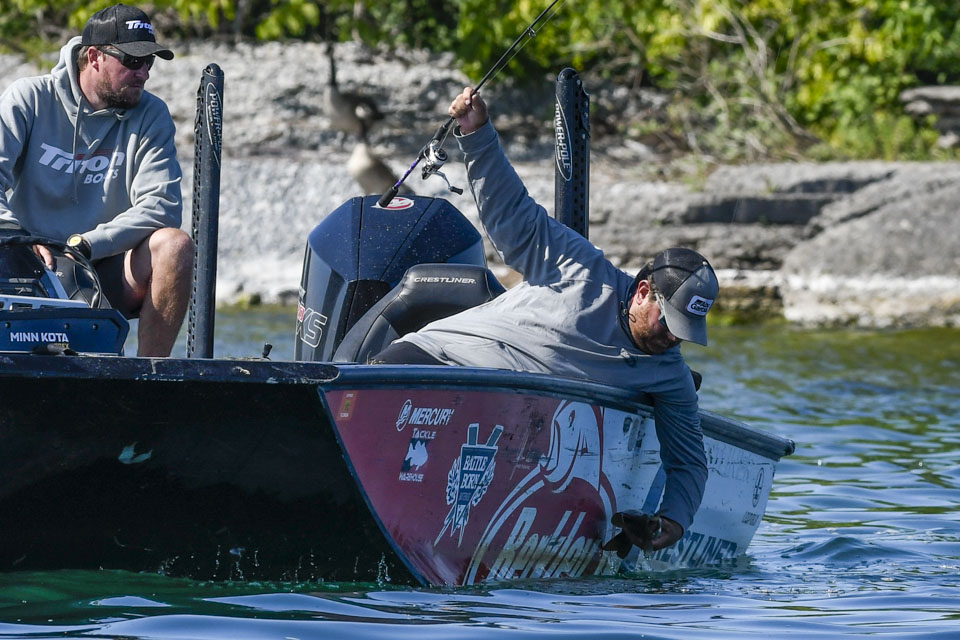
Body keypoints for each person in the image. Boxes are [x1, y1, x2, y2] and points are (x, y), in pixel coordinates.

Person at [373, 87, 720, 553]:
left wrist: (671, 523)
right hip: (435, 360)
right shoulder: (582, 268)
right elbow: (513, 215)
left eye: (684, 332)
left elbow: (689, 463)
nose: (673, 339)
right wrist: (477, 132)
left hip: (492, 410)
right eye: (669, 322)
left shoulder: (669, 375)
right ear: (643, 292)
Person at [0, 4, 193, 357]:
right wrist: (19, 241)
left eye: (149, 62)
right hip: (27, 266)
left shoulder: (152, 114)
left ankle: (149, 376)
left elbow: (162, 206)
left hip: (100, 266)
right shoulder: (28, 97)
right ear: (94, 57)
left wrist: (85, 245)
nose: (144, 74)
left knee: (175, 245)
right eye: (133, 61)